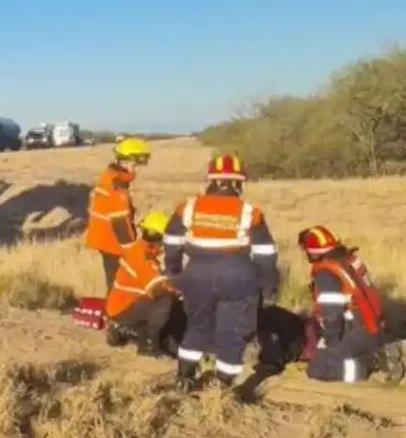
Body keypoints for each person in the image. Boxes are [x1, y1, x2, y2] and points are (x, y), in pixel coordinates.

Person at [164, 155, 280, 393]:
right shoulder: (250, 212)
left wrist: (174, 271)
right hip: (238, 275)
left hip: (196, 274)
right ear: (238, 183)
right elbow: (265, 254)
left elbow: (172, 241)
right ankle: (222, 386)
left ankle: (184, 377)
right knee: (233, 333)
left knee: (197, 327)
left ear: (210, 181)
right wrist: (268, 286)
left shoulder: (188, 207)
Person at [298, 225, 384, 383]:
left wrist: (331, 344)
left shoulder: (326, 274)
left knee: (317, 370)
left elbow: (333, 316)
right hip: (373, 325)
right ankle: (376, 353)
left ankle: (372, 363)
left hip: (356, 329)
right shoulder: (347, 260)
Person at [105, 211, 179, 356]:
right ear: (159, 237)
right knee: (165, 302)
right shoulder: (143, 257)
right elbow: (157, 290)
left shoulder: (141, 248)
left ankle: (126, 330)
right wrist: (179, 289)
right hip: (125, 307)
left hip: (128, 305)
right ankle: (148, 346)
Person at [85, 137, 152, 291]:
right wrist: (135, 253)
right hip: (112, 243)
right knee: (120, 285)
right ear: (127, 162)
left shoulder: (109, 178)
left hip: (104, 241)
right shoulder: (118, 189)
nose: (136, 170)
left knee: (114, 282)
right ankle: (114, 313)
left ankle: (113, 311)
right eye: (136, 165)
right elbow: (121, 225)